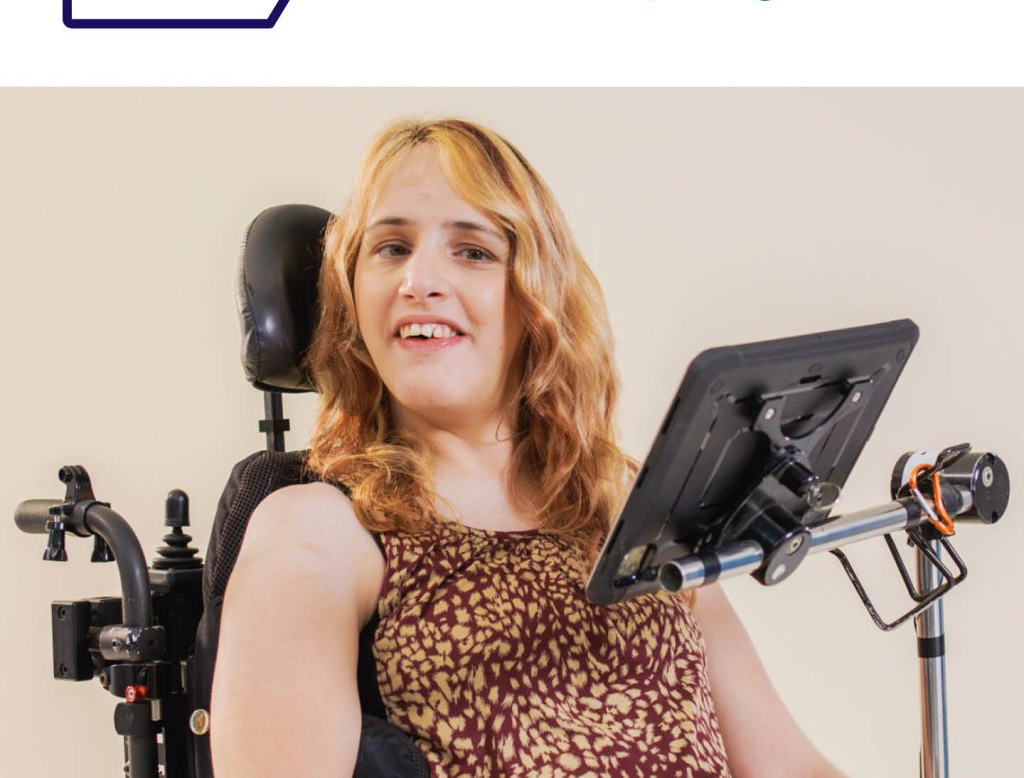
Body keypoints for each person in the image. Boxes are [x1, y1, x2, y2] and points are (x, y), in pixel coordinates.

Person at [210, 118, 845, 778]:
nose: (418, 280)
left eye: (473, 251)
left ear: (538, 296)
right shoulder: (318, 527)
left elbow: (793, 767)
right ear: (350, 294)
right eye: (391, 248)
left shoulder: (629, 515)